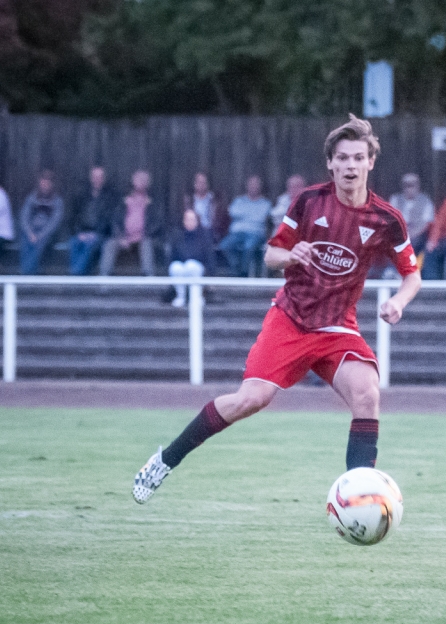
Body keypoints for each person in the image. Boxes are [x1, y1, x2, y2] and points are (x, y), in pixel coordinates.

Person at [132, 114, 422, 504]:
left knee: (368, 394)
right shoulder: (307, 202)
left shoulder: (387, 219)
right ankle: (166, 458)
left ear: (370, 162)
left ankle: (358, 498)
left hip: (337, 327)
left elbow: (412, 275)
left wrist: (398, 302)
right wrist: (292, 254)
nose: (350, 166)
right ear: (330, 164)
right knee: (250, 400)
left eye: (358, 158)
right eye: (343, 158)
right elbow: (270, 254)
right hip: (291, 319)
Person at [100, 170, 161, 276]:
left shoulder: (153, 201)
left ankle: (149, 279)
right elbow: (115, 219)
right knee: (109, 244)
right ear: (133, 181)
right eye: (138, 180)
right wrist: (120, 236)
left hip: (144, 237)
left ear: (148, 183)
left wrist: (143, 234)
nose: (140, 183)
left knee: (146, 244)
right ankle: (103, 280)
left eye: (143, 180)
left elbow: (157, 222)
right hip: (124, 237)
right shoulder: (124, 199)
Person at [68, 166, 119, 276]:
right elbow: (74, 217)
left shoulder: (110, 197)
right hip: (82, 231)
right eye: (95, 177)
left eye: (100, 177)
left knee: (89, 244)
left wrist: (94, 233)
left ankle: (75, 276)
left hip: (100, 233)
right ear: (91, 178)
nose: (97, 179)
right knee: (74, 242)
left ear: (104, 179)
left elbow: (109, 220)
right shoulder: (82, 195)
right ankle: (79, 275)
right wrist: (79, 233)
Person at [223, 175, 273, 277]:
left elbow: (261, 217)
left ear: (259, 187)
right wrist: (252, 215)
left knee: (248, 246)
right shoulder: (239, 201)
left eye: (255, 185)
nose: (253, 187)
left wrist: (243, 214)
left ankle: (243, 273)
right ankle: (236, 268)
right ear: (247, 186)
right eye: (251, 185)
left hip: (255, 233)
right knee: (224, 246)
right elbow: (232, 212)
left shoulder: (265, 203)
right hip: (237, 233)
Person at [18, 170, 64, 275]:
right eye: (43, 183)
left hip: (47, 234)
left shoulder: (57, 201)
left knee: (39, 245)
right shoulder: (32, 198)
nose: (44, 186)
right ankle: (26, 273)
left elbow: (54, 223)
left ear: (51, 185)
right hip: (31, 232)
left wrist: (39, 236)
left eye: (47, 183)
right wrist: (30, 233)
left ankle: (28, 276)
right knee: (24, 242)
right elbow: (24, 217)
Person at [168, 208, 215, 307]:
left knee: (191, 265)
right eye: (187, 219)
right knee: (175, 266)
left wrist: (211, 276)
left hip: (199, 269)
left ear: (197, 221)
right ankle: (181, 296)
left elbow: (209, 258)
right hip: (181, 268)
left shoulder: (204, 236)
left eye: (192, 219)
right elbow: (172, 257)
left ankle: (197, 297)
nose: (190, 222)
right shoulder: (177, 235)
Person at [388, 173, 435, 254]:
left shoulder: (426, 201)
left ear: (418, 186)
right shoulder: (395, 199)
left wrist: (411, 234)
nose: (409, 188)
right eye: (407, 185)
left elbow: (425, 224)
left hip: (418, 234)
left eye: (412, 185)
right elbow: (391, 220)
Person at [183, 172, 229, 240]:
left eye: (203, 182)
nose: (201, 185)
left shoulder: (214, 200)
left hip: (210, 231)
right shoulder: (189, 200)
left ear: (207, 184)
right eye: (199, 182)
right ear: (195, 184)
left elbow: (221, 219)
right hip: (193, 230)